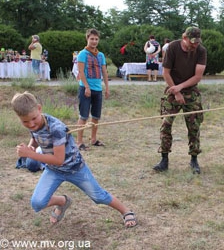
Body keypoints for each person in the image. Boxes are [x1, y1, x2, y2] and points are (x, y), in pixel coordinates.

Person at [11, 92, 137, 227]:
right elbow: (36, 136)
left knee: (99, 197)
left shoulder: (56, 128)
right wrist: (31, 147)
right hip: (54, 170)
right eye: (25, 121)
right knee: (37, 203)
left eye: (33, 118)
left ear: (39, 109)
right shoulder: (34, 124)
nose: (31, 124)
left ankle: (126, 211)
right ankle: (63, 202)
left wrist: (30, 154)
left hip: (75, 169)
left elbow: (59, 159)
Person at [153, 27, 207, 174]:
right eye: (192, 42)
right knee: (166, 124)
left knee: (194, 126)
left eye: (197, 42)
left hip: (190, 91)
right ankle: (164, 159)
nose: (195, 45)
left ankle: (194, 159)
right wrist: (176, 91)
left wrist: (180, 88)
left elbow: (197, 76)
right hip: (172, 89)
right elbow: (166, 72)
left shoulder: (201, 51)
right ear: (185, 38)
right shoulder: (173, 47)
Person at [76, 28, 109, 151]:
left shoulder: (100, 55)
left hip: (97, 89)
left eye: (96, 39)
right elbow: (81, 71)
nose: (94, 41)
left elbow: (104, 72)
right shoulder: (82, 54)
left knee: (96, 116)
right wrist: (87, 87)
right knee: (83, 116)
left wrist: (107, 87)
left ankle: (94, 139)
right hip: (85, 89)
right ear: (87, 39)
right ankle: (79, 142)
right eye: (92, 39)